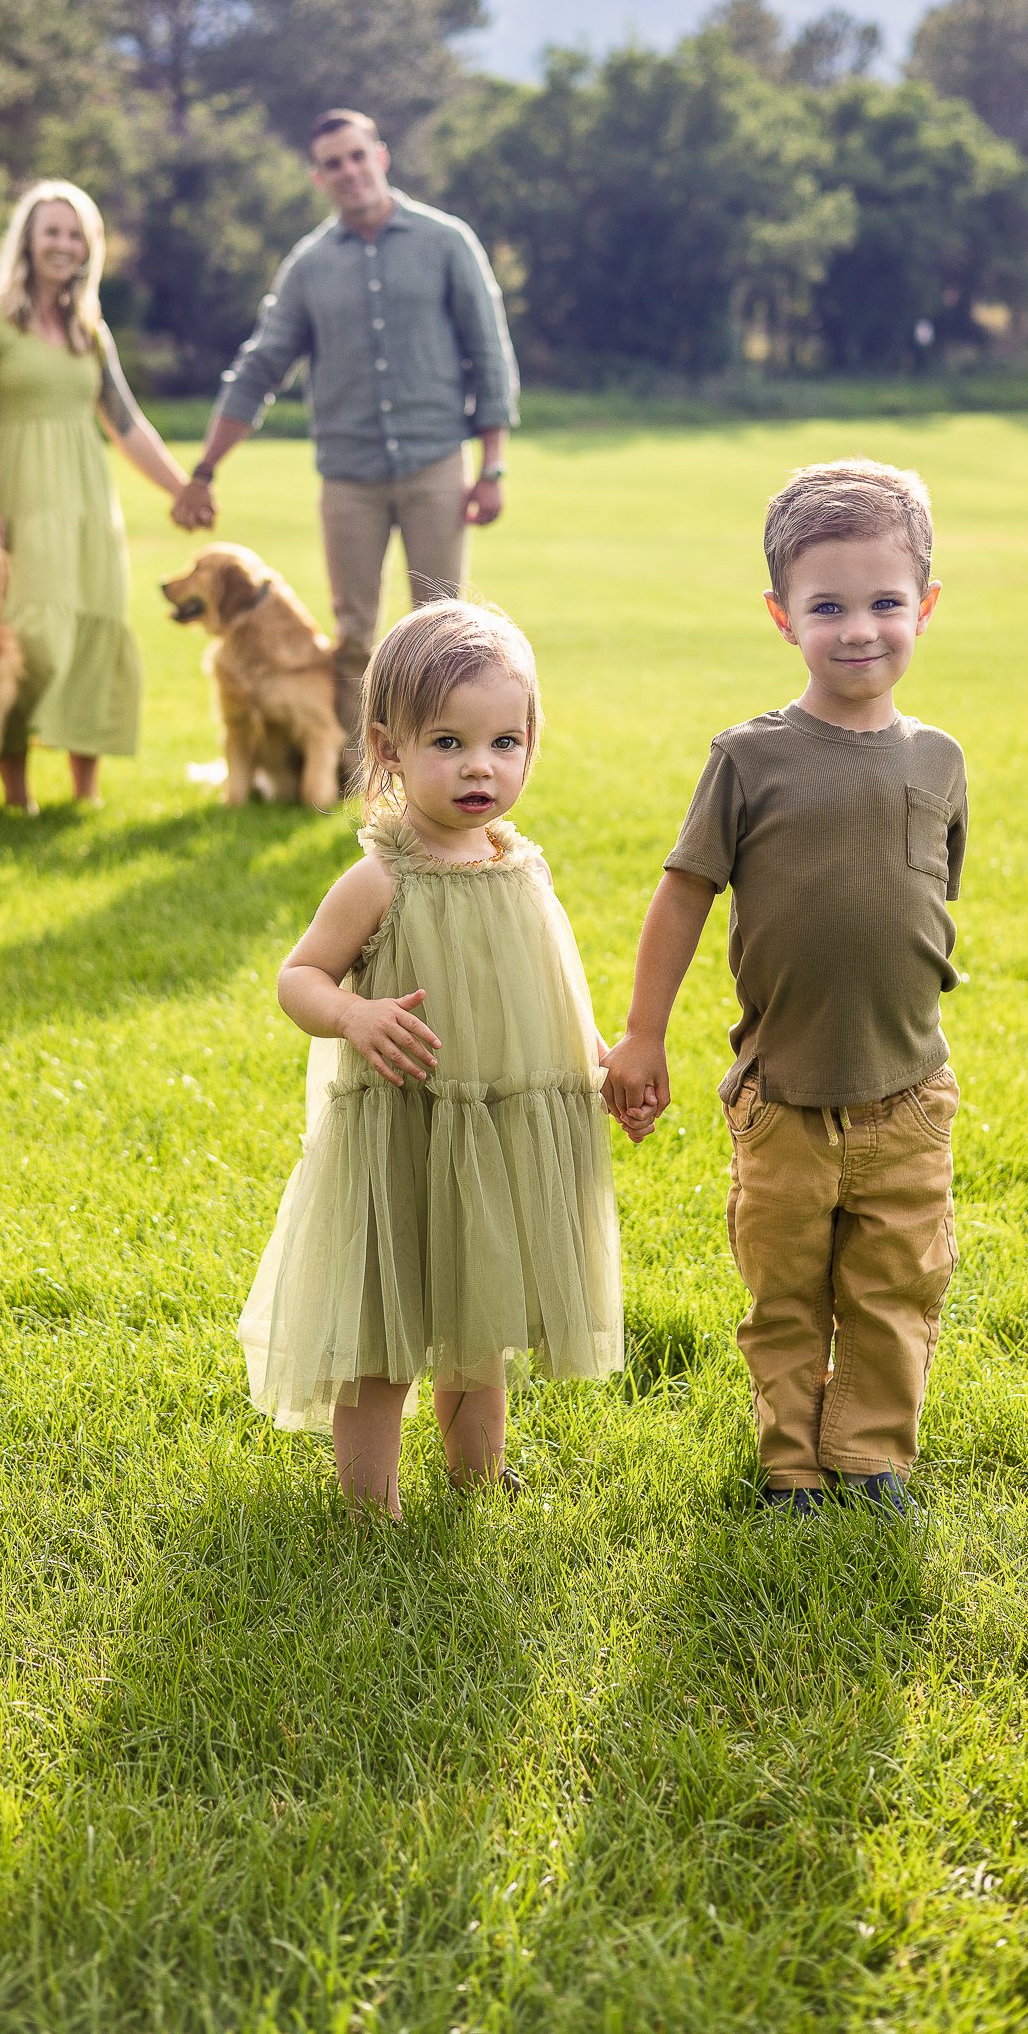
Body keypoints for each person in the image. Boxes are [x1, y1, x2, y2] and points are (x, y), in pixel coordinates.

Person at [604, 459, 967, 1521]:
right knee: (785, 1296)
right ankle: (792, 1472)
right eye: (827, 606)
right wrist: (641, 1036)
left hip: (905, 1094)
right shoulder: (749, 758)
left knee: (895, 1288)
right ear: (780, 616)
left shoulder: (937, 760)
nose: (859, 628)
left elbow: (929, 904)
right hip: (782, 1101)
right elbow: (680, 899)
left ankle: (867, 1459)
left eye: (884, 602)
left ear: (924, 606)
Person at [239, 599, 623, 1519]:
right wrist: (353, 1014)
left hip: (497, 1131)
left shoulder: (519, 866)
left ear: (531, 742)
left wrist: (601, 1066)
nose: (479, 766)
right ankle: (370, 1506)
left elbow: (552, 986)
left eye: (503, 741)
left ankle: (477, 1479)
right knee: (383, 1332)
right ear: (389, 748)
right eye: (447, 742)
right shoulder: (381, 877)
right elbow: (299, 976)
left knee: (479, 1322)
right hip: (405, 1133)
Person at [172, 110, 520, 739]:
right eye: (333, 164)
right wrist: (203, 470)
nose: (349, 171)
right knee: (355, 633)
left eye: (357, 156)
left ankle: (438, 767)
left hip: (434, 462)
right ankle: (351, 778)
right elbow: (259, 369)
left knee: (442, 629)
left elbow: (489, 355)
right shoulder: (309, 266)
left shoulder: (446, 242)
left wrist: (491, 467)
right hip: (349, 477)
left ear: (380, 156)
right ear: (318, 178)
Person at [0, 181, 209, 813]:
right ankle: (14, 791)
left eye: (74, 234)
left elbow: (126, 422)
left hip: (90, 504)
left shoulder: (90, 331)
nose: (62, 245)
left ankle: (85, 792)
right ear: (28, 241)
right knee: (26, 640)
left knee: (94, 631)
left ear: (87, 248)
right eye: (51, 232)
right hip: (18, 497)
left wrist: (183, 489)